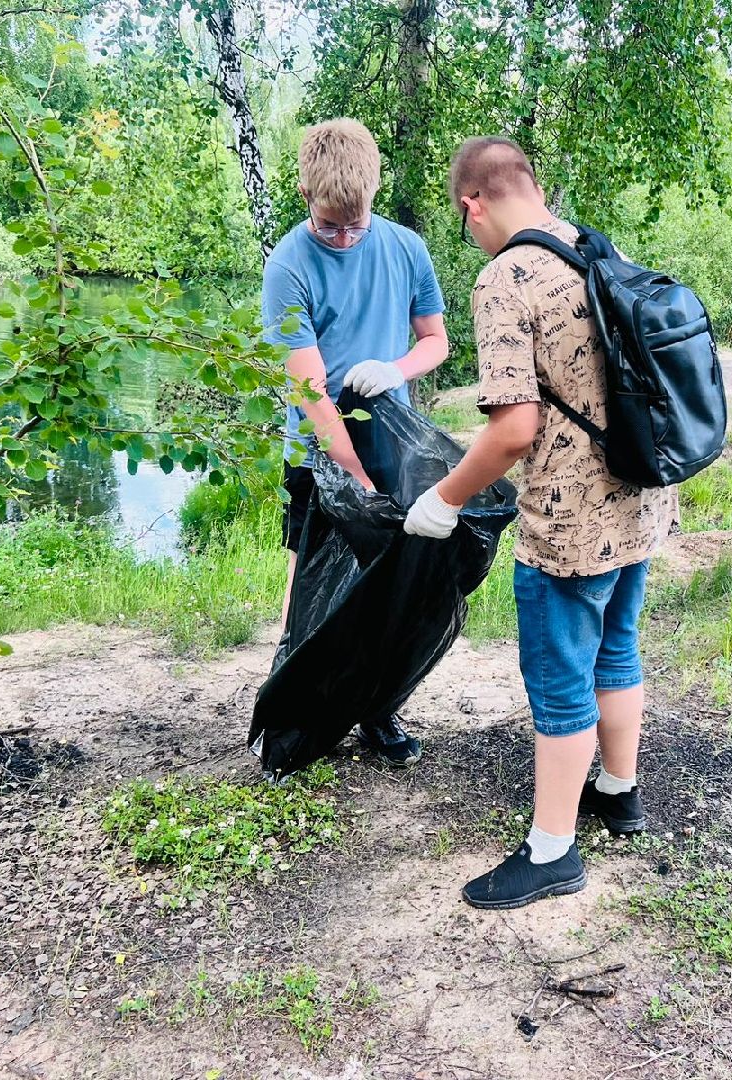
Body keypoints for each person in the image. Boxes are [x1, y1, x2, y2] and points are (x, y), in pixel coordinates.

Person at [403, 136, 676, 909]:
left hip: (569, 523)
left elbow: (514, 430)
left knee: (560, 679)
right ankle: (619, 791)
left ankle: (553, 850)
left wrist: (444, 499)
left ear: (472, 205)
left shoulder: (505, 277)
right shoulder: (597, 248)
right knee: (616, 646)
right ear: (532, 185)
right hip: (640, 500)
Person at [264, 118, 449, 766]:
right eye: (329, 227)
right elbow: (311, 391)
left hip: (392, 442)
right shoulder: (289, 264)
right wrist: (357, 483)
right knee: (313, 581)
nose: (343, 238)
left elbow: (436, 341)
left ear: (374, 193)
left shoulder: (406, 249)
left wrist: (397, 369)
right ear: (304, 196)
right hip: (318, 450)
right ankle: (294, 714)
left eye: (355, 226)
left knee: (387, 584)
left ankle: (378, 708)